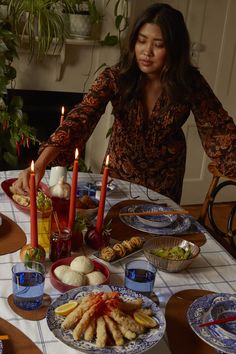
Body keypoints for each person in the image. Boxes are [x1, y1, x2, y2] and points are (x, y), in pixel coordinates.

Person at [14, 2, 236, 204]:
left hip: (166, 179)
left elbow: (220, 131)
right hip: (118, 177)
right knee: (113, 234)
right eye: (141, 41)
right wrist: (41, 164)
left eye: (158, 45)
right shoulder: (114, 77)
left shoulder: (190, 82)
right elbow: (81, 118)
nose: (146, 52)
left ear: (174, 49)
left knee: (157, 241)